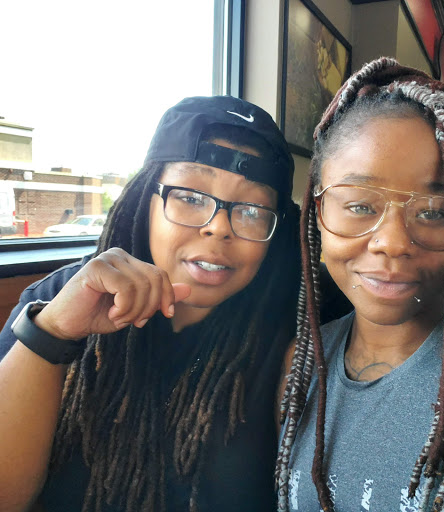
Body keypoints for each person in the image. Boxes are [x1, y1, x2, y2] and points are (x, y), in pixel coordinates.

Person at [0, 96, 301, 512]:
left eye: (252, 210)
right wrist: (51, 335)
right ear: (146, 200)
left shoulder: (298, 338)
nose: (218, 227)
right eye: (190, 197)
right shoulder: (55, 298)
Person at [276, 57, 444, 512]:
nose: (393, 243)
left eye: (435, 213)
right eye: (360, 206)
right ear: (318, 212)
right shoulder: (300, 365)